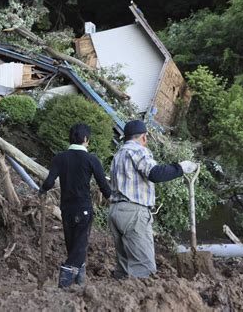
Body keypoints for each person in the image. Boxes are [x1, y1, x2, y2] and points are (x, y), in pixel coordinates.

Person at [108, 119, 197, 279]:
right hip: (133, 213)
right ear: (143, 137)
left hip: (116, 211)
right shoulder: (139, 150)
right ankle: (143, 301)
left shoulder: (118, 154)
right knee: (144, 268)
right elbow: (154, 173)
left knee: (124, 266)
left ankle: (119, 301)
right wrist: (181, 168)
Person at [40, 123, 111, 288]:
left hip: (66, 209)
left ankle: (78, 284)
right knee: (79, 246)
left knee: (73, 246)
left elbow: (50, 182)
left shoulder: (60, 158)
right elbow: (103, 184)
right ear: (85, 139)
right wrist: (111, 197)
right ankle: (65, 285)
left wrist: (42, 191)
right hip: (83, 208)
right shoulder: (91, 159)